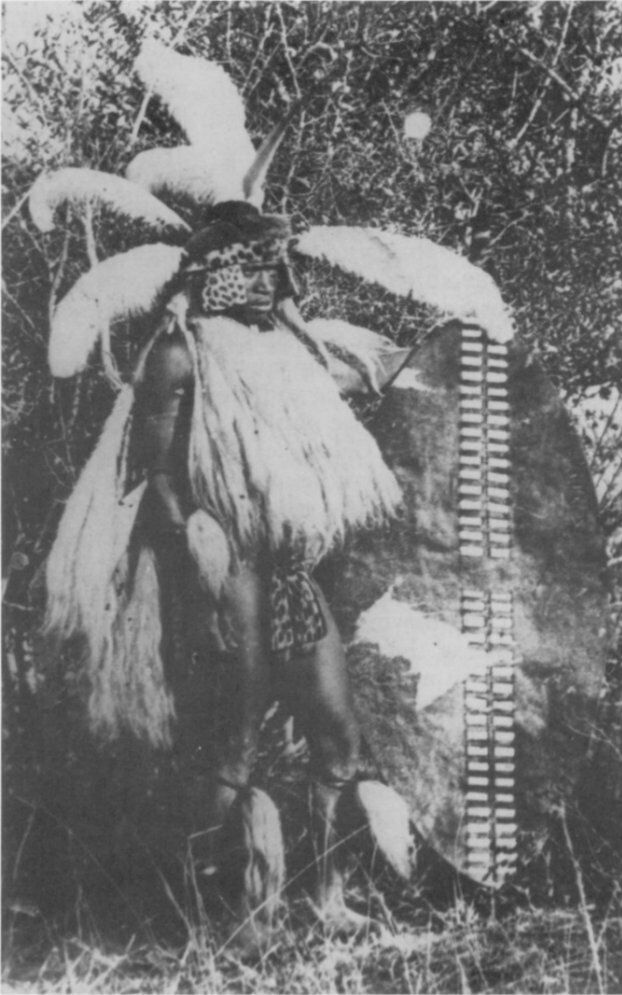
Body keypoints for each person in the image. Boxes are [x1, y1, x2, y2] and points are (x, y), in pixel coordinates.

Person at [122, 199, 406, 930]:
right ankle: (213, 912)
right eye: (243, 266)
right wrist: (197, 548)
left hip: (288, 565)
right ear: (210, 272)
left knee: (338, 736)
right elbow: (151, 476)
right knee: (235, 741)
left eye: (269, 266)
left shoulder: (288, 351)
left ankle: (328, 897)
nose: (261, 280)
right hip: (227, 565)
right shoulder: (177, 354)